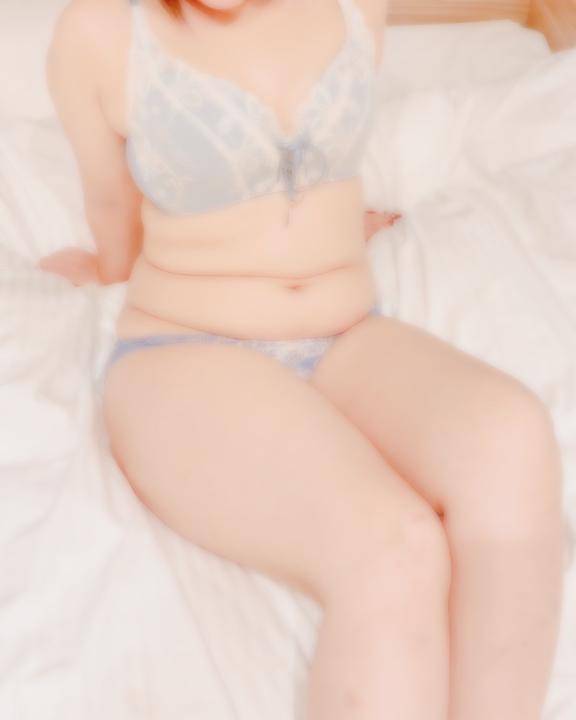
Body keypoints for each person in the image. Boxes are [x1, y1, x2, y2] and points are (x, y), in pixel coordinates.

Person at [38, 1, 565, 718]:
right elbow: (112, 212)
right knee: (395, 548)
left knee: (512, 437)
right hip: (186, 348)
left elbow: (307, 178)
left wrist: (332, 229)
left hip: (345, 334)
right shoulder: (100, 33)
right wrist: (101, 272)